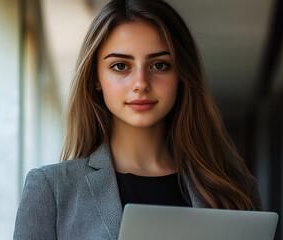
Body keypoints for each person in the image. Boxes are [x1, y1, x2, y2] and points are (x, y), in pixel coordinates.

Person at [13, 0, 262, 239]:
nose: (141, 83)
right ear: (95, 78)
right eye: (121, 66)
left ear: (182, 75)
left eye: (160, 65)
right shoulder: (52, 189)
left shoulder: (236, 189)